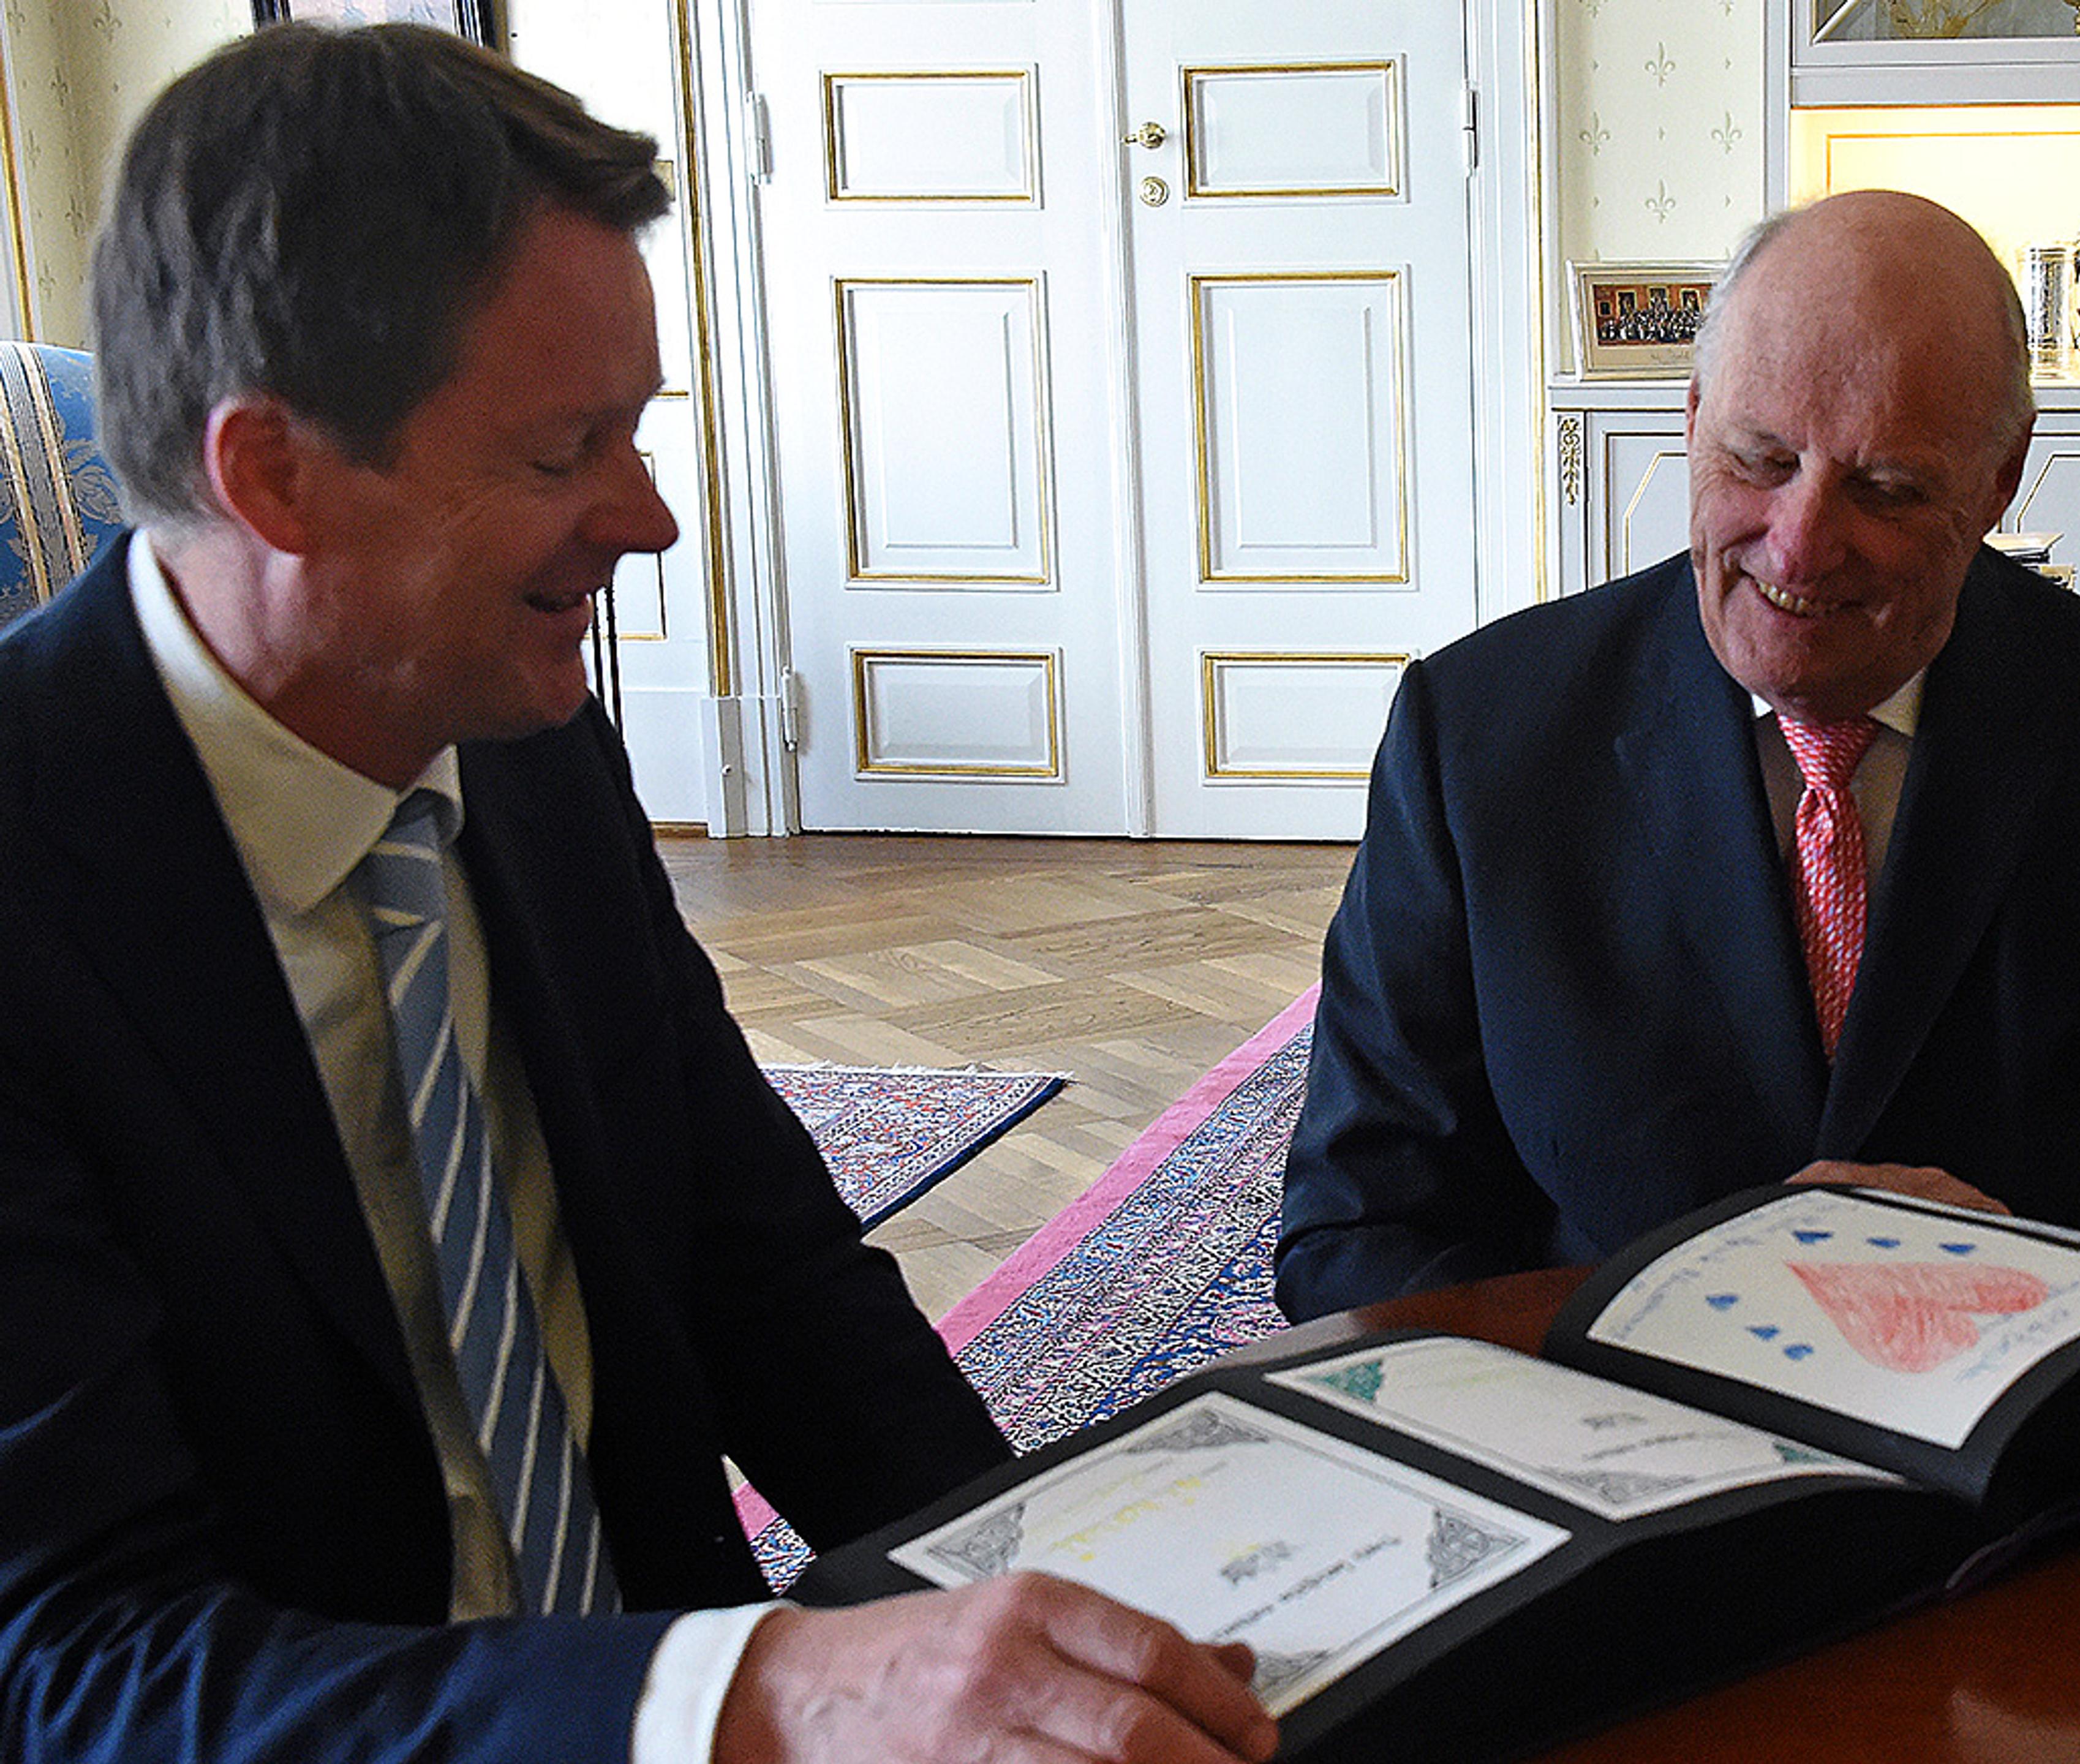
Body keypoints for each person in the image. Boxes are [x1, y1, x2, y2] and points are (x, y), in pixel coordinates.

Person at [0, 24, 1276, 1764]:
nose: (652, 520)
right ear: (275, 475)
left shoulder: (519, 738)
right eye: (563, 453)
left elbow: (762, 1271)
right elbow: (78, 1667)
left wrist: (1046, 1609)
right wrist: (758, 1698)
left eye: (640, 433)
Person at [1276, 189, 2080, 1321]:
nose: (1798, 547)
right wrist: (1654, 1339)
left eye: (1886, 489)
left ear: (2000, 481)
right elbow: (1360, 1228)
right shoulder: (1478, 734)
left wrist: (2038, 1292)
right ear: (1693, 418)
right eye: (1759, 459)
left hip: (2053, 1416)